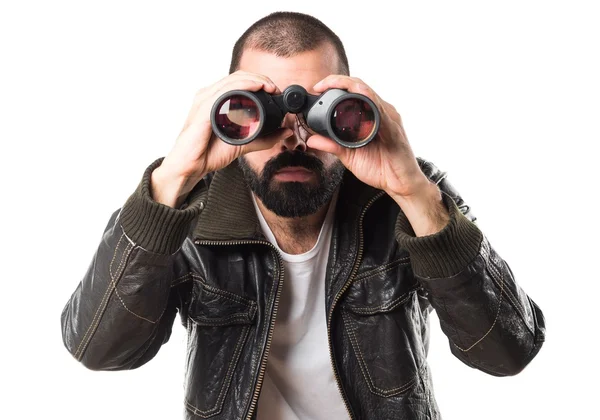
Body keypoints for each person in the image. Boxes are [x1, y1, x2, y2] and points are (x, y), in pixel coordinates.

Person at [60, 11, 546, 420]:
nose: (292, 137)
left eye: (320, 110)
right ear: (223, 112)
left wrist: (414, 191)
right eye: (261, 112)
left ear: (355, 109)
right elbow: (97, 350)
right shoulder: (190, 209)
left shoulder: (405, 200)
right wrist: (171, 180)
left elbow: (507, 352)